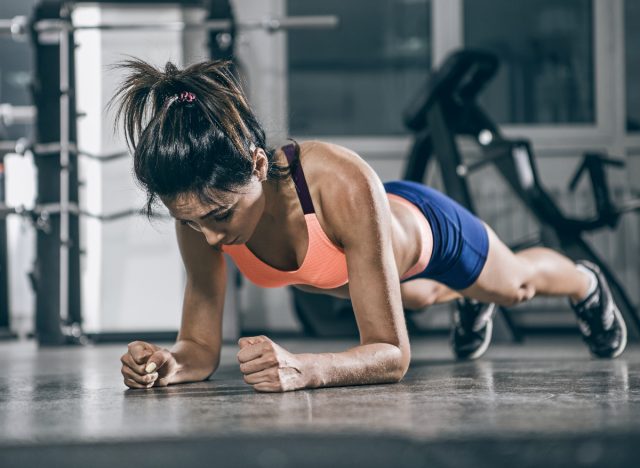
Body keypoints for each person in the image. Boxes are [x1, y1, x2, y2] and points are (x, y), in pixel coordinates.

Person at [112, 59, 627, 392]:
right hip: (369, 265)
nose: (212, 238)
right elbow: (200, 348)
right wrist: (168, 362)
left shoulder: (339, 180)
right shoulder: (200, 211)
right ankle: (466, 298)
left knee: (514, 286)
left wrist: (307, 368)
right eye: (191, 220)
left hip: (425, 231)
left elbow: (392, 354)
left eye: (221, 215)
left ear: (258, 165)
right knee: (418, 298)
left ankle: (584, 281)